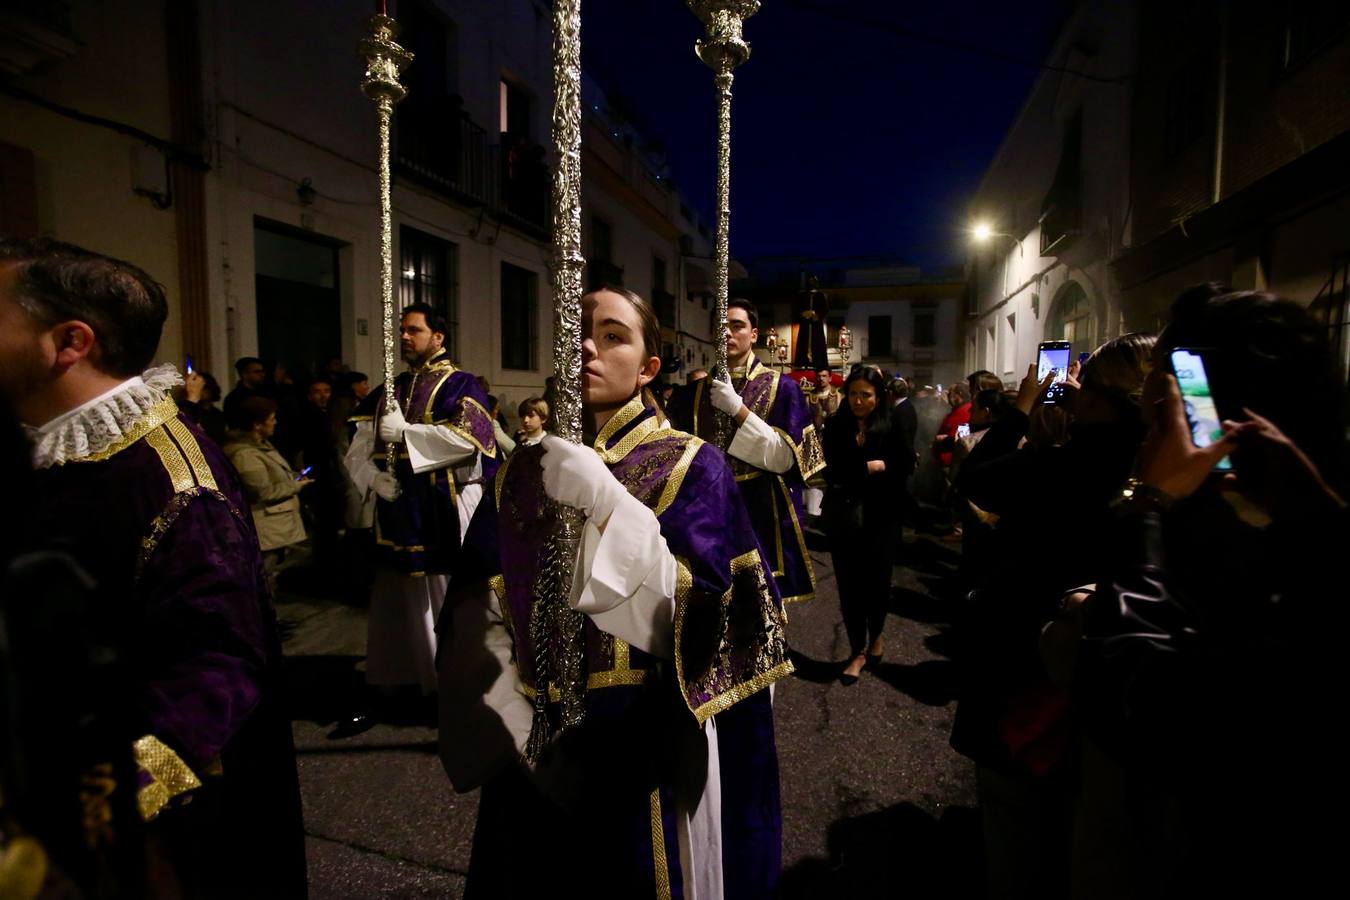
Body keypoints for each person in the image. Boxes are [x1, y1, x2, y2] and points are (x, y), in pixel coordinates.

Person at [438, 286, 792, 899]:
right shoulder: (519, 472)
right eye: (576, 332)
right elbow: (479, 608)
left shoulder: (691, 464)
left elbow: (711, 618)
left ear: (648, 367)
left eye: (613, 336)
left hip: (642, 742)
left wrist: (607, 506)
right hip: (533, 743)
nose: (586, 348)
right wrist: (515, 722)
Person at [0, 237, 306, 897]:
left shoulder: (176, 485)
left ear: (70, 341)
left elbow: (219, 666)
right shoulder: (42, 442)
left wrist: (77, 811)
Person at [340, 302, 498, 735]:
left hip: (440, 509)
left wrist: (408, 434)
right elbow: (356, 446)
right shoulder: (392, 388)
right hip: (396, 512)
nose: (405, 337)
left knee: (440, 599)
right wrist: (371, 478)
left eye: (414, 330)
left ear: (438, 336)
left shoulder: (460, 384)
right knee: (392, 602)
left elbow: (471, 441)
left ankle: (450, 693)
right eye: (402, 330)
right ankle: (391, 685)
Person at [668, 298, 825, 604]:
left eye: (736, 326)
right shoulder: (692, 395)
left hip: (761, 511)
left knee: (763, 611)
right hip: (709, 516)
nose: (727, 333)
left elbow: (783, 459)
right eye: (720, 327)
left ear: (754, 334)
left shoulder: (783, 387)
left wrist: (738, 410)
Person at [821, 366, 911, 685]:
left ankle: (877, 634)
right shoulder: (835, 426)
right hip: (844, 519)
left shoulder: (892, 425)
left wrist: (863, 470)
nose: (858, 401)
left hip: (882, 518)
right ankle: (857, 650)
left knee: (878, 585)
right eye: (853, 394)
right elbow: (830, 470)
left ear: (879, 397)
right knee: (849, 587)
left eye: (866, 395)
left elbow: (903, 467)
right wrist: (869, 467)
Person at [223, 396, 312, 574]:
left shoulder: (262, 446)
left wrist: (292, 477)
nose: (275, 422)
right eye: (271, 419)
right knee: (265, 573)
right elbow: (261, 492)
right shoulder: (245, 455)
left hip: (275, 524)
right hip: (266, 527)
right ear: (257, 425)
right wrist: (296, 486)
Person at [223, 355, 267, 427]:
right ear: (244, 374)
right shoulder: (234, 398)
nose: (262, 375)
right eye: (257, 372)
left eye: (263, 371)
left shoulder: (265, 393)